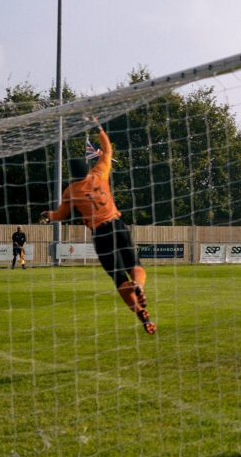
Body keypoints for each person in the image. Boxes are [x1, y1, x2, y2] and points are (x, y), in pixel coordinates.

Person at [40, 117, 155, 335]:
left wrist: (48, 215)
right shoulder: (100, 173)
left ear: (72, 174)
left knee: (119, 277)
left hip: (101, 233)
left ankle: (139, 311)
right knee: (135, 265)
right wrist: (98, 128)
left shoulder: (71, 191)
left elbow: (61, 215)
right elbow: (108, 149)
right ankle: (139, 285)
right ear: (87, 167)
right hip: (117, 224)